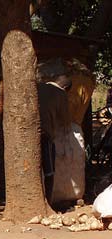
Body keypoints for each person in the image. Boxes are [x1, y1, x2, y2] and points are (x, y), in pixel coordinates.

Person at [37, 74, 72, 203]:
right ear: (65, 87)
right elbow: (65, 120)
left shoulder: (38, 86)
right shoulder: (61, 93)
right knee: (49, 170)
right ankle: (48, 202)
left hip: (31, 133)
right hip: (45, 134)